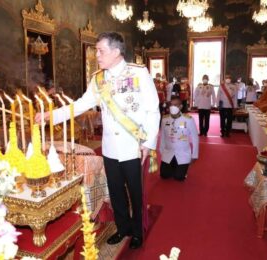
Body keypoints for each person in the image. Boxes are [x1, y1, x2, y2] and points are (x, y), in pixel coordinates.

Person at [35, 32, 160, 249]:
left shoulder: (139, 73)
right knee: (116, 191)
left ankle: (137, 230)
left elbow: (153, 110)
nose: (97, 55)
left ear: (116, 51)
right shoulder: (97, 78)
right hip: (110, 147)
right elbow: (81, 105)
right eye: (96, 50)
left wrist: (148, 144)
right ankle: (123, 229)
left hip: (134, 147)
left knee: (136, 192)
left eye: (101, 50)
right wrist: (50, 116)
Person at [160, 96, 199, 181]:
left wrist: (194, 155)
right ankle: (173, 165)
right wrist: (162, 151)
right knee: (164, 175)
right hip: (168, 153)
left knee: (179, 177)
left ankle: (181, 169)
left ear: (181, 106)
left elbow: (195, 138)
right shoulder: (165, 119)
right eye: (171, 105)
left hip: (183, 154)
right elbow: (162, 136)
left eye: (176, 105)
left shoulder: (188, 120)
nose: (172, 107)